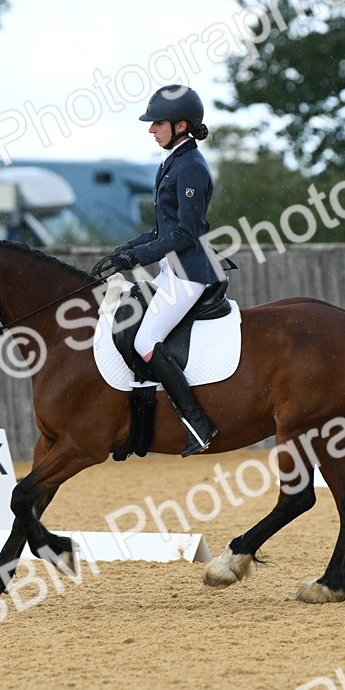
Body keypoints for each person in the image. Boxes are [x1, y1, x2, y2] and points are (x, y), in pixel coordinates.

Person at [92, 84, 219, 456]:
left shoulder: (192, 167)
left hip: (190, 273)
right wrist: (126, 249)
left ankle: (198, 422)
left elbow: (186, 233)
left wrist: (137, 258)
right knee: (126, 324)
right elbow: (164, 228)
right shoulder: (172, 162)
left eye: (158, 123)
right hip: (169, 270)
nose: (151, 129)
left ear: (181, 125)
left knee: (145, 341)